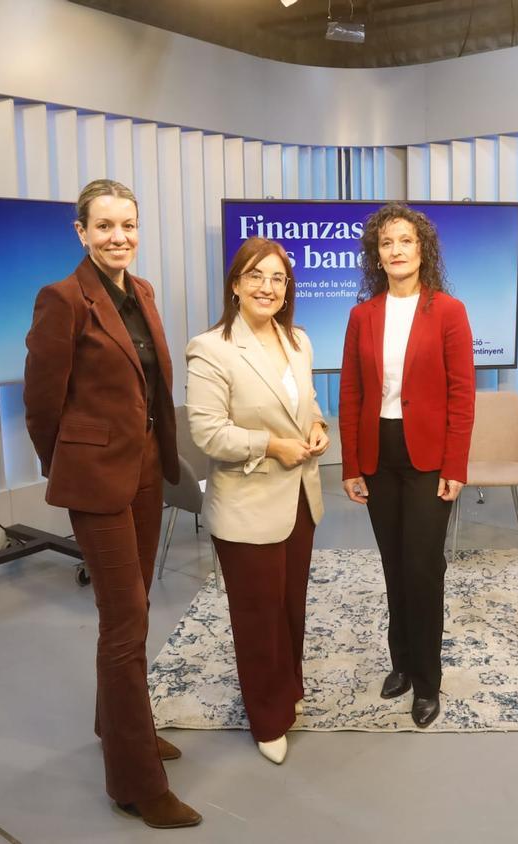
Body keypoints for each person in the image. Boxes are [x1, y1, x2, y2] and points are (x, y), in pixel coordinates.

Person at [23, 179, 201, 830]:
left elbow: (149, 384)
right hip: (97, 478)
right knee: (123, 623)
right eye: (104, 226)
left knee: (138, 605)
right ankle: (135, 783)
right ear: (81, 232)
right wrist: (67, 463)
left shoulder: (141, 291)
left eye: (127, 224)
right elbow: (42, 405)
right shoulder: (63, 299)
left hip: (148, 469)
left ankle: (118, 726)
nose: (118, 237)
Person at [185, 236, 328, 765]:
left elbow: (308, 403)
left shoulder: (298, 341)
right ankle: (266, 717)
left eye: (278, 278)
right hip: (246, 504)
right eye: (256, 276)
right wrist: (270, 444)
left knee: (290, 607)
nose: (268, 287)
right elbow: (207, 432)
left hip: (299, 500)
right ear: (235, 285)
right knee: (257, 616)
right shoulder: (212, 348)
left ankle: (286, 691)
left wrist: (317, 428)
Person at [338, 203, 475, 729]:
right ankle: (400, 663)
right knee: (394, 565)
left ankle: (428, 679)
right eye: (386, 243)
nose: (396, 251)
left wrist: (455, 465)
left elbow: (463, 395)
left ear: (423, 250)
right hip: (378, 454)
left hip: (427, 459)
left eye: (405, 241)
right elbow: (351, 393)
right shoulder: (362, 316)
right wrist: (351, 464)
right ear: (377, 254)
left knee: (423, 567)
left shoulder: (448, 311)